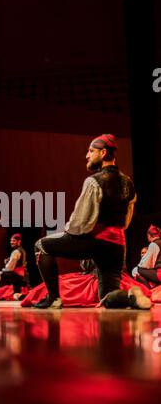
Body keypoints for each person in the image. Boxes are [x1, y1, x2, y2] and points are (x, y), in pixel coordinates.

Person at [34, 133, 151, 310]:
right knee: (106, 298)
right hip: (118, 245)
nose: (87, 155)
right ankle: (130, 297)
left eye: (91, 151)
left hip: (94, 241)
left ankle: (53, 298)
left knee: (41, 245)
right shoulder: (128, 182)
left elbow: (79, 224)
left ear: (103, 153)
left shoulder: (94, 181)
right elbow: (126, 220)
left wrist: (68, 235)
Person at [0, 233, 27, 301]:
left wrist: (5, 266)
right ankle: (25, 296)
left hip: (16, 274)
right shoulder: (22, 250)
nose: (11, 242)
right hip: (21, 275)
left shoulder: (16, 251)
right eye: (11, 240)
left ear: (19, 241)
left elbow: (9, 268)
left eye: (14, 241)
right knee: (16, 295)